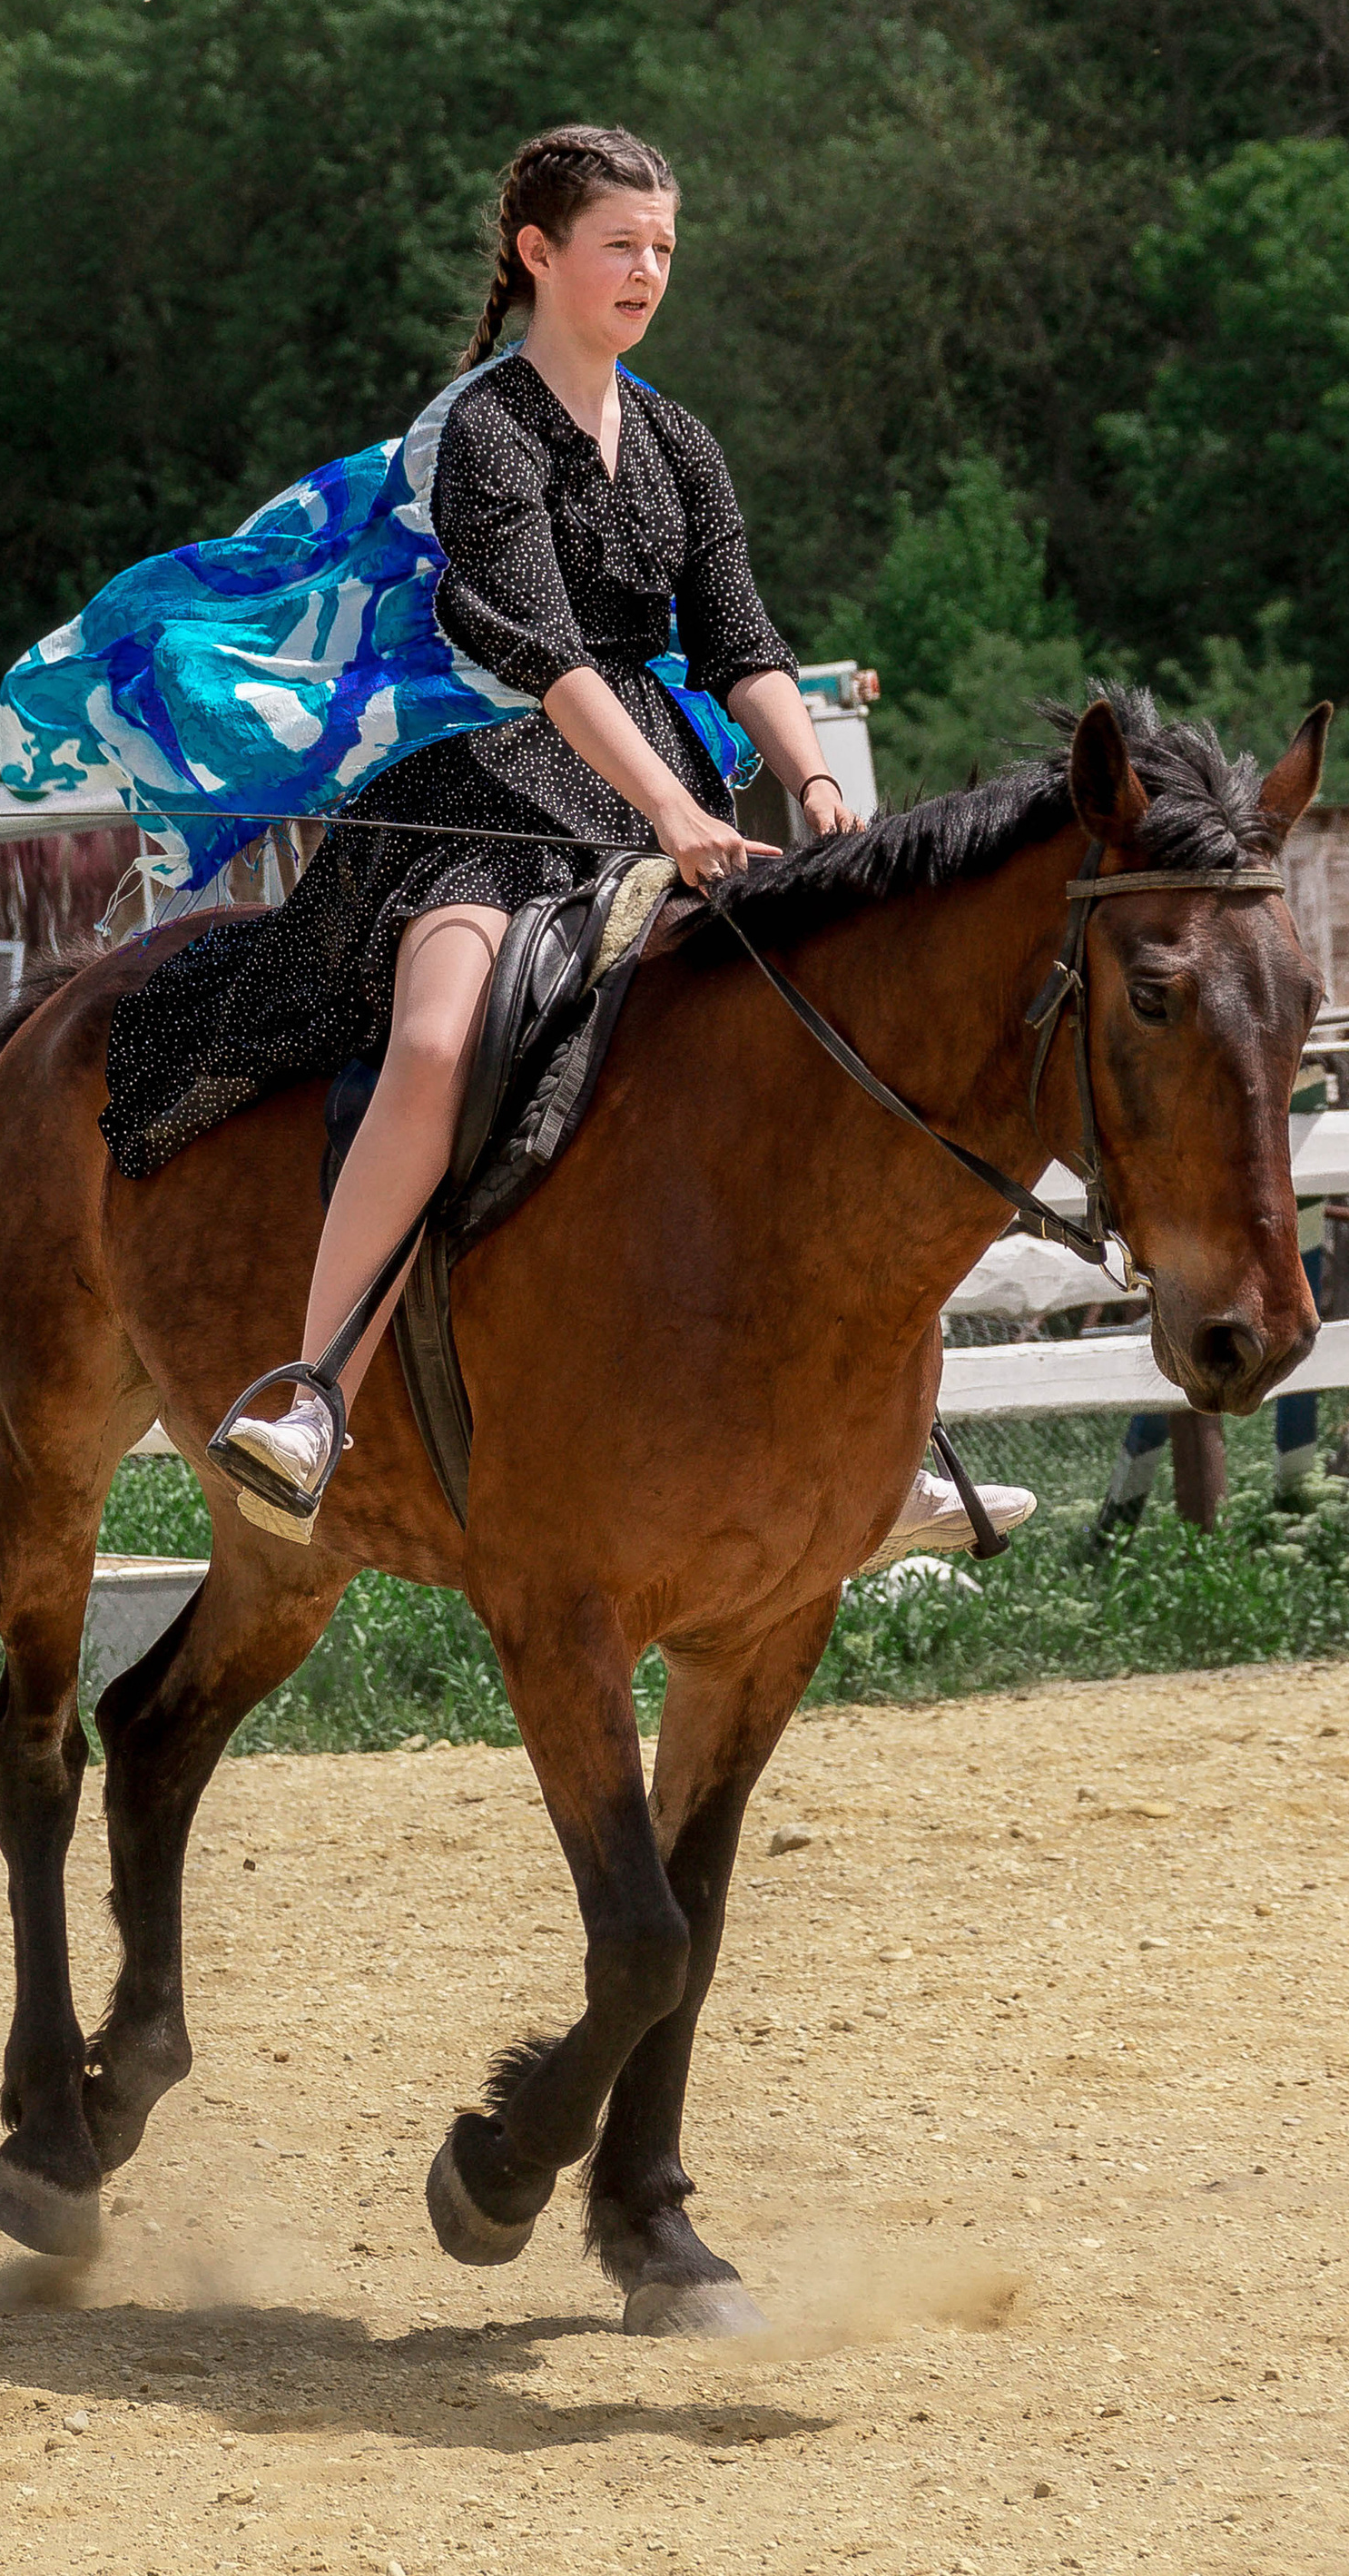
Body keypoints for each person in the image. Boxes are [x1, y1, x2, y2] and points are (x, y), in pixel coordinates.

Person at [95, 123, 1018, 1561]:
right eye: (621, 246)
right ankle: (313, 1393)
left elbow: (739, 638)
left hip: (661, 782)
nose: (649, 270)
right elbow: (534, 647)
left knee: (832, 1043)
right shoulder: (486, 428)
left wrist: (818, 781)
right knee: (438, 1041)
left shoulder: (681, 444)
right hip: (488, 799)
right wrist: (674, 810)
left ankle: (875, 1447)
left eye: (663, 247)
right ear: (539, 254)